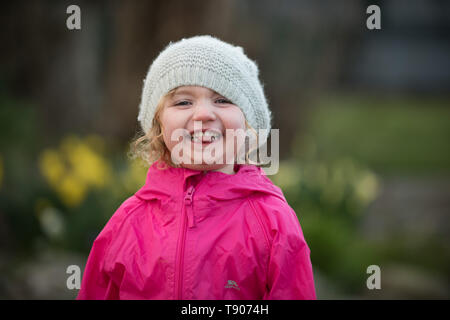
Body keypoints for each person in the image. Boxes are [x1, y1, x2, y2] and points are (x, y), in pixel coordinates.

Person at [77, 35, 316, 300]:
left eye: (223, 99)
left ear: (247, 126)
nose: (203, 114)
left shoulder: (272, 222)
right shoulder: (126, 223)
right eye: (183, 102)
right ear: (158, 127)